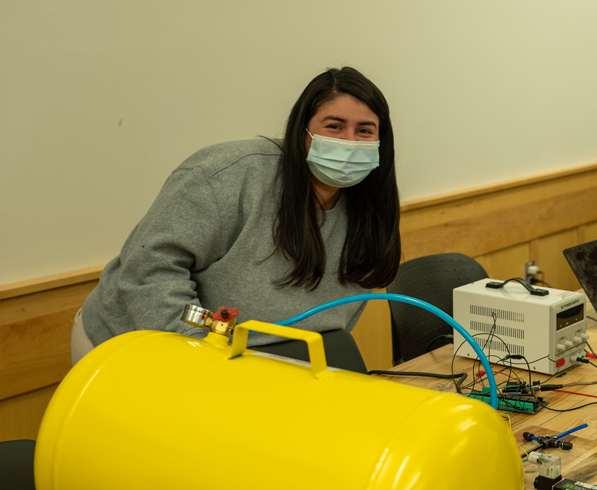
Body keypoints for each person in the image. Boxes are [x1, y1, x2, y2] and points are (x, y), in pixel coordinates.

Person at [72, 67, 401, 364]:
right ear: (303, 131)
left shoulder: (371, 208)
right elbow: (149, 271)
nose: (348, 142)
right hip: (133, 342)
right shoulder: (226, 176)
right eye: (334, 126)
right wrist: (203, 346)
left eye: (364, 131)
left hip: (264, 362)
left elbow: (337, 311)